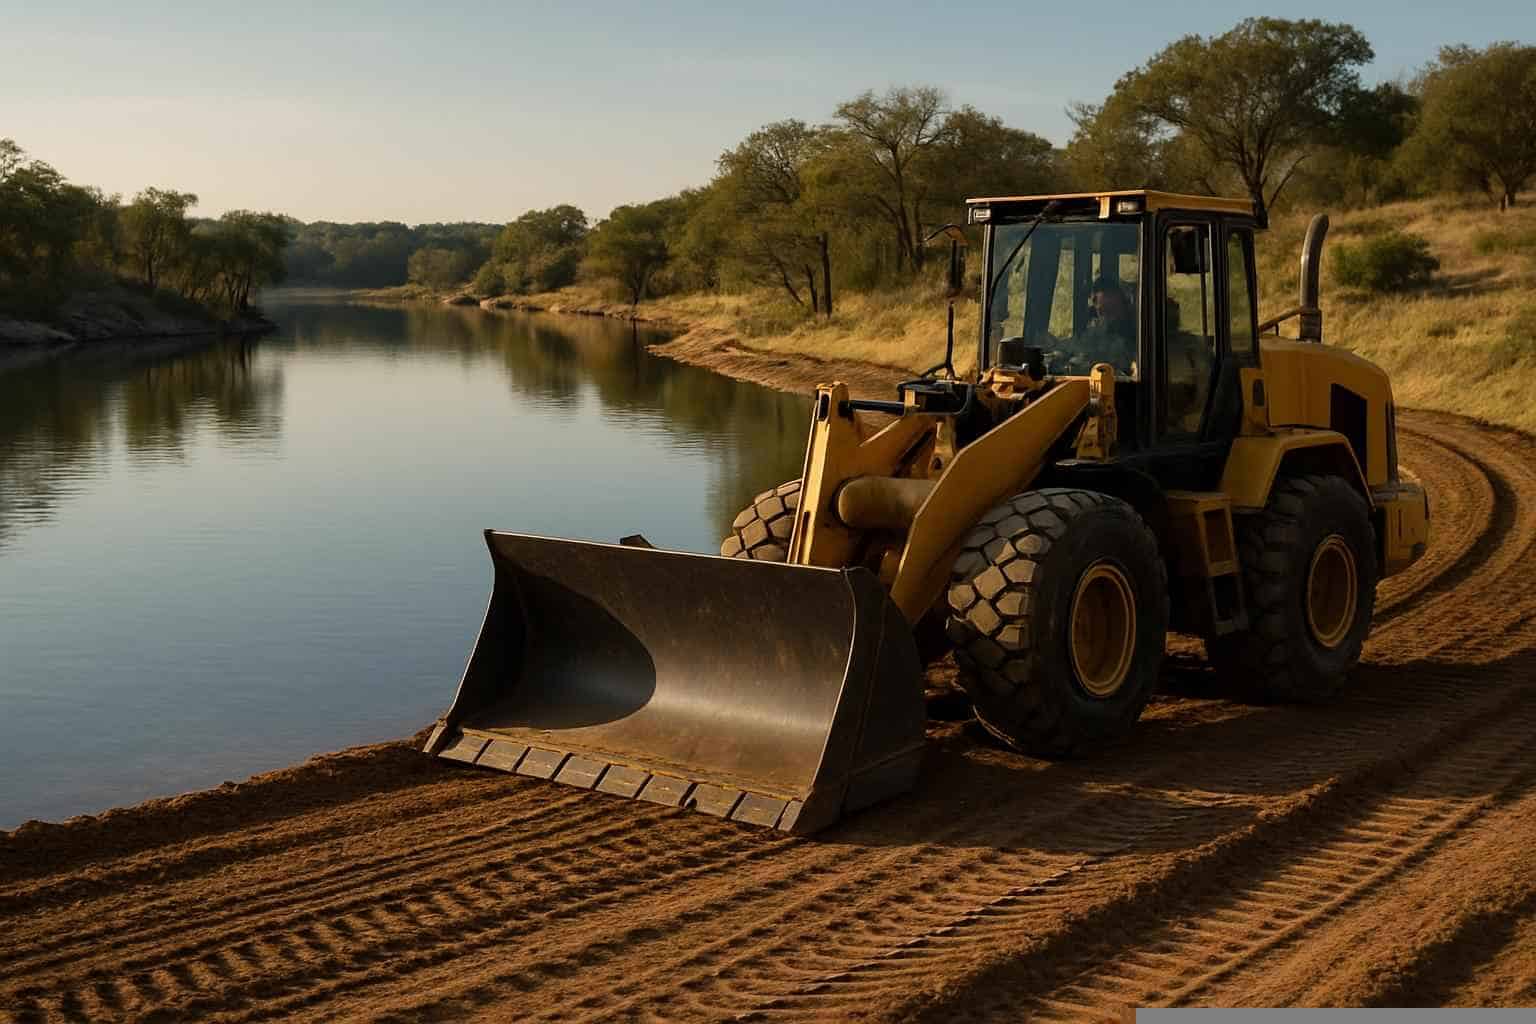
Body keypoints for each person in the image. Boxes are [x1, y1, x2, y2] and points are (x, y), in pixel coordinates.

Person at [1071, 277, 1137, 374]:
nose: (1111, 318)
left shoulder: (1139, 330)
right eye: (1104, 312)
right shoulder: (1091, 329)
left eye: (1114, 309)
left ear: (1124, 304)